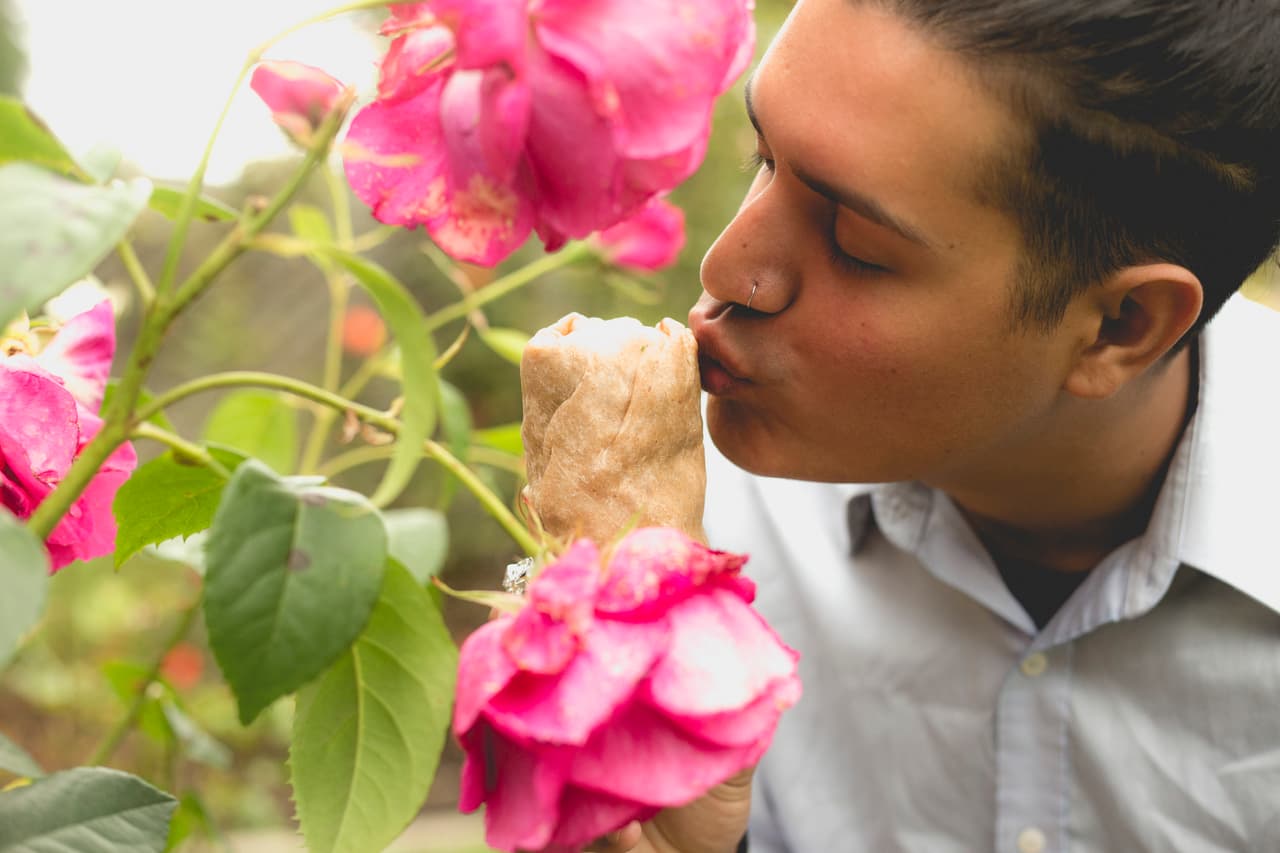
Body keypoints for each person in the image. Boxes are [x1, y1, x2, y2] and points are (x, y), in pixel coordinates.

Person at [584, 0, 1280, 850]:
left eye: (855, 244)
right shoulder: (676, 527)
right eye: (763, 157)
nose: (727, 268)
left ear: (1122, 324)